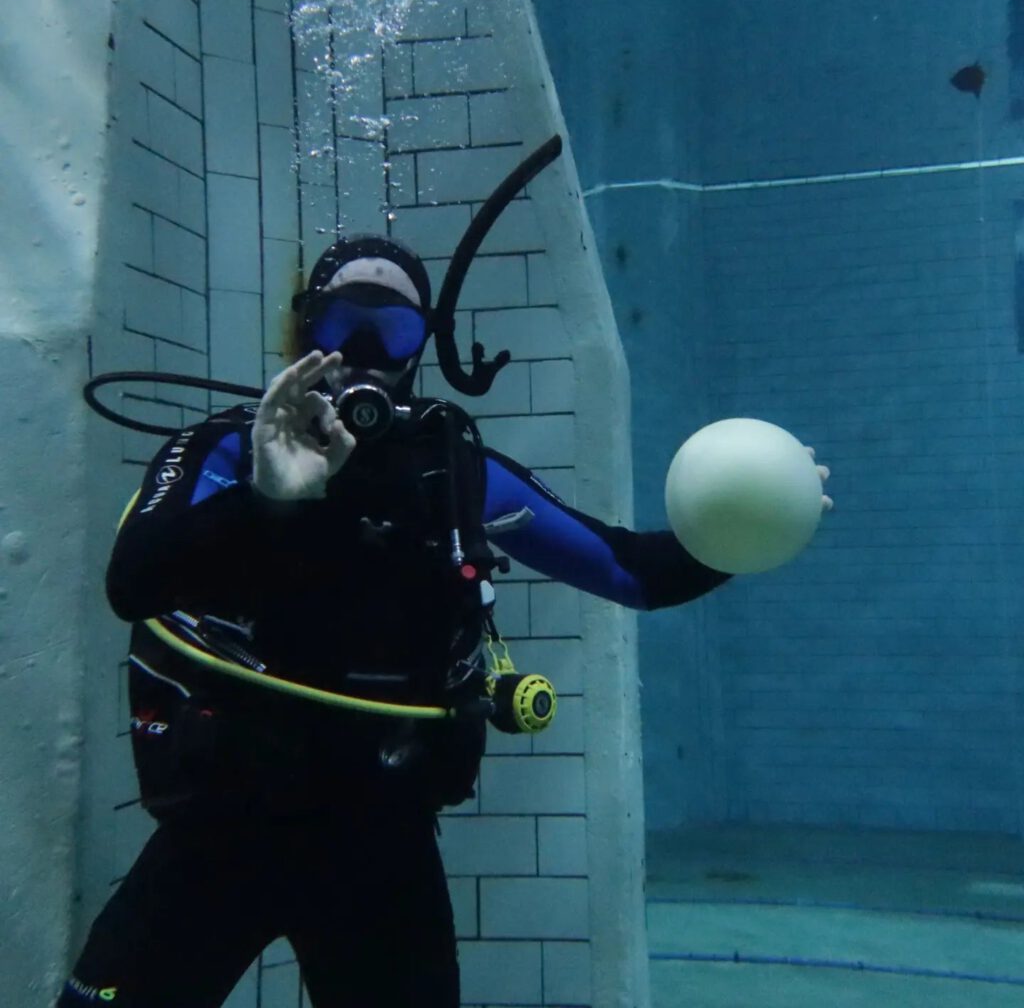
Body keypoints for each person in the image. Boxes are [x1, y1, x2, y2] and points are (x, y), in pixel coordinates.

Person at [58, 234, 831, 1008]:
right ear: (304, 330)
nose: (363, 351)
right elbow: (134, 583)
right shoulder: (227, 448)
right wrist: (267, 496)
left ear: (421, 346)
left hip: (380, 842)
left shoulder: (453, 470)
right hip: (219, 831)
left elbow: (629, 569)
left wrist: (754, 523)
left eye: (392, 330)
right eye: (340, 323)